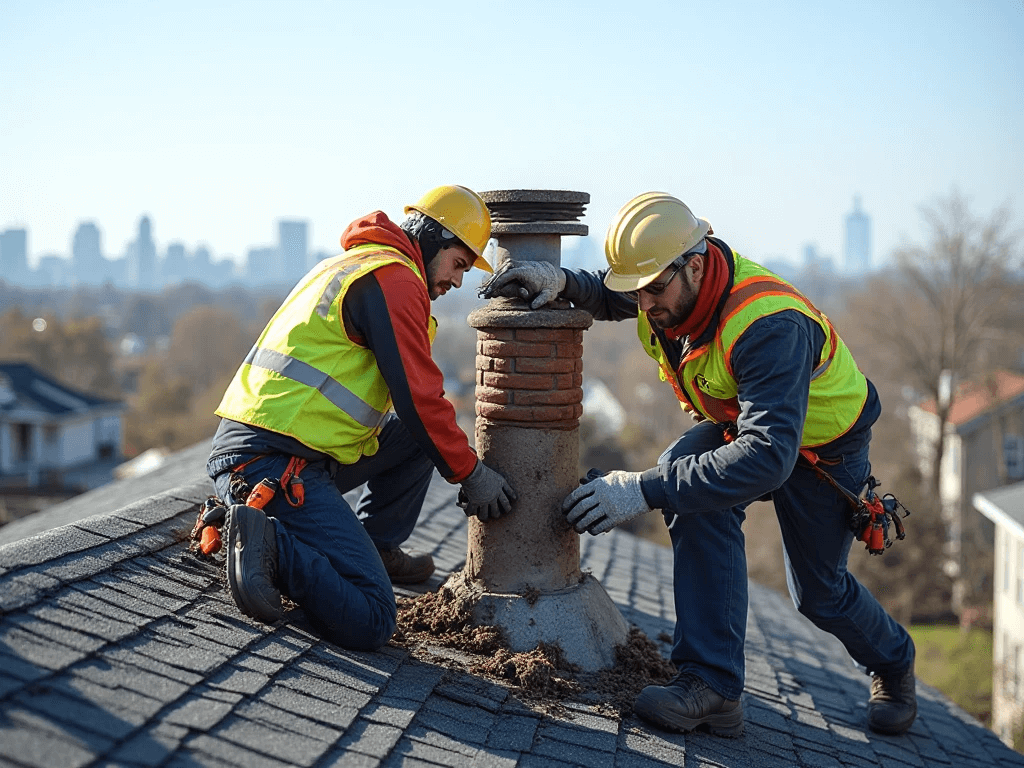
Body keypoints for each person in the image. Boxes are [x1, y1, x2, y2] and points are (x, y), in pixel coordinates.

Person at [481, 192, 916, 737]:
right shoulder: (667, 294)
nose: (644, 305)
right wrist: (565, 283)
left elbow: (766, 458)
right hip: (749, 426)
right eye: (635, 291)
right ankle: (711, 685)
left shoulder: (769, 325)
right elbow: (613, 295)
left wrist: (641, 491)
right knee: (687, 478)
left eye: (655, 289)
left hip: (822, 450)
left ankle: (895, 662)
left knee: (819, 593)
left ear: (697, 262)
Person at [207, 185, 516, 652]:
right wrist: (470, 474)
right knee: (372, 614)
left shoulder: (358, 264)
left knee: (416, 439)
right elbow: (419, 397)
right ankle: (262, 538)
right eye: (459, 263)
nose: (458, 281)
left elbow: (418, 419)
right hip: (270, 463)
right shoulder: (394, 280)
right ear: (433, 238)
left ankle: (376, 547)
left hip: (281, 447)